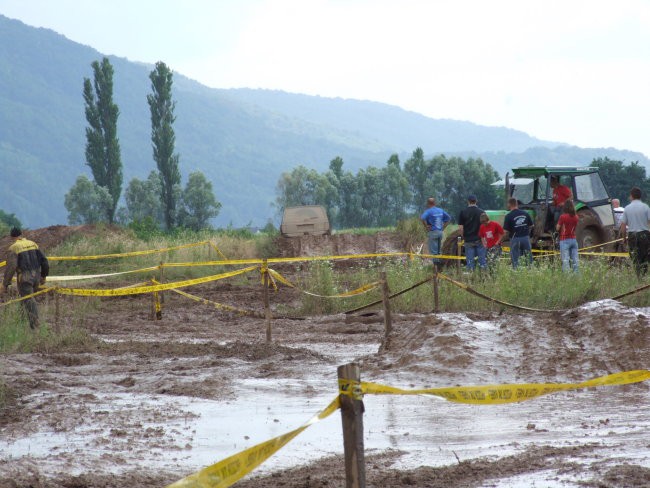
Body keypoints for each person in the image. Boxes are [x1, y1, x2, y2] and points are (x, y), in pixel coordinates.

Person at [0, 227, 49, 330]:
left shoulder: (14, 247)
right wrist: (44, 276)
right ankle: (21, 323)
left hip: (25, 277)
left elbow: (11, 267)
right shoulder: (33, 243)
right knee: (25, 299)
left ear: (11, 237)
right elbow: (44, 260)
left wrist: (5, 284)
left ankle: (35, 326)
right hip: (36, 276)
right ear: (21, 234)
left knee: (28, 299)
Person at [620, 187, 650, 277]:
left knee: (635, 257)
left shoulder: (627, 208)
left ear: (632, 196)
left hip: (632, 235)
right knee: (644, 256)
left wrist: (624, 238)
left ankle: (638, 276)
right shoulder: (645, 207)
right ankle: (644, 276)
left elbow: (623, 225)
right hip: (644, 234)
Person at [458, 194, 486, 271]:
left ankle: (471, 277)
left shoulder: (463, 212)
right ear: (476, 201)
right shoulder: (482, 212)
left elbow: (460, 228)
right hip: (479, 239)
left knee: (470, 262)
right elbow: (485, 226)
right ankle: (483, 276)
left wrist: (464, 237)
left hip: (468, 240)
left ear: (468, 202)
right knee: (482, 261)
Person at [503, 197, 534, 268]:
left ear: (509, 205)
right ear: (516, 204)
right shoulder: (525, 213)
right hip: (525, 238)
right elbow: (532, 225)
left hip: (515, 239)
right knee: (529, 258)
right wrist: (526, 232)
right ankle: (531, 272)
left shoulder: (508, 216)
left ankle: (516, 273)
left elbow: (505, 231)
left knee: (515, 259)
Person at [420, 197, 451, 266]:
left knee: (434, 252)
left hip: (433, 232)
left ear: (428, 204)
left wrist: (426, 227)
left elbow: (422, 218)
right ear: (435, 203)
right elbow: (449, 218)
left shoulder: (428, 211)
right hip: (440, 233)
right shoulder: (440, 210)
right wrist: (443, 228)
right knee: (438, 251)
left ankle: (436, 269)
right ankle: (439, 267)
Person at [556, 199, 579, 272]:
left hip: (564, 239)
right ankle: (577, 275)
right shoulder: (576, 217)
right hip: (573, 239)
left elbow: (557, 228)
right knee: (575, 259)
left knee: (565, 260)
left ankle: (567, 277)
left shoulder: (563, 217)